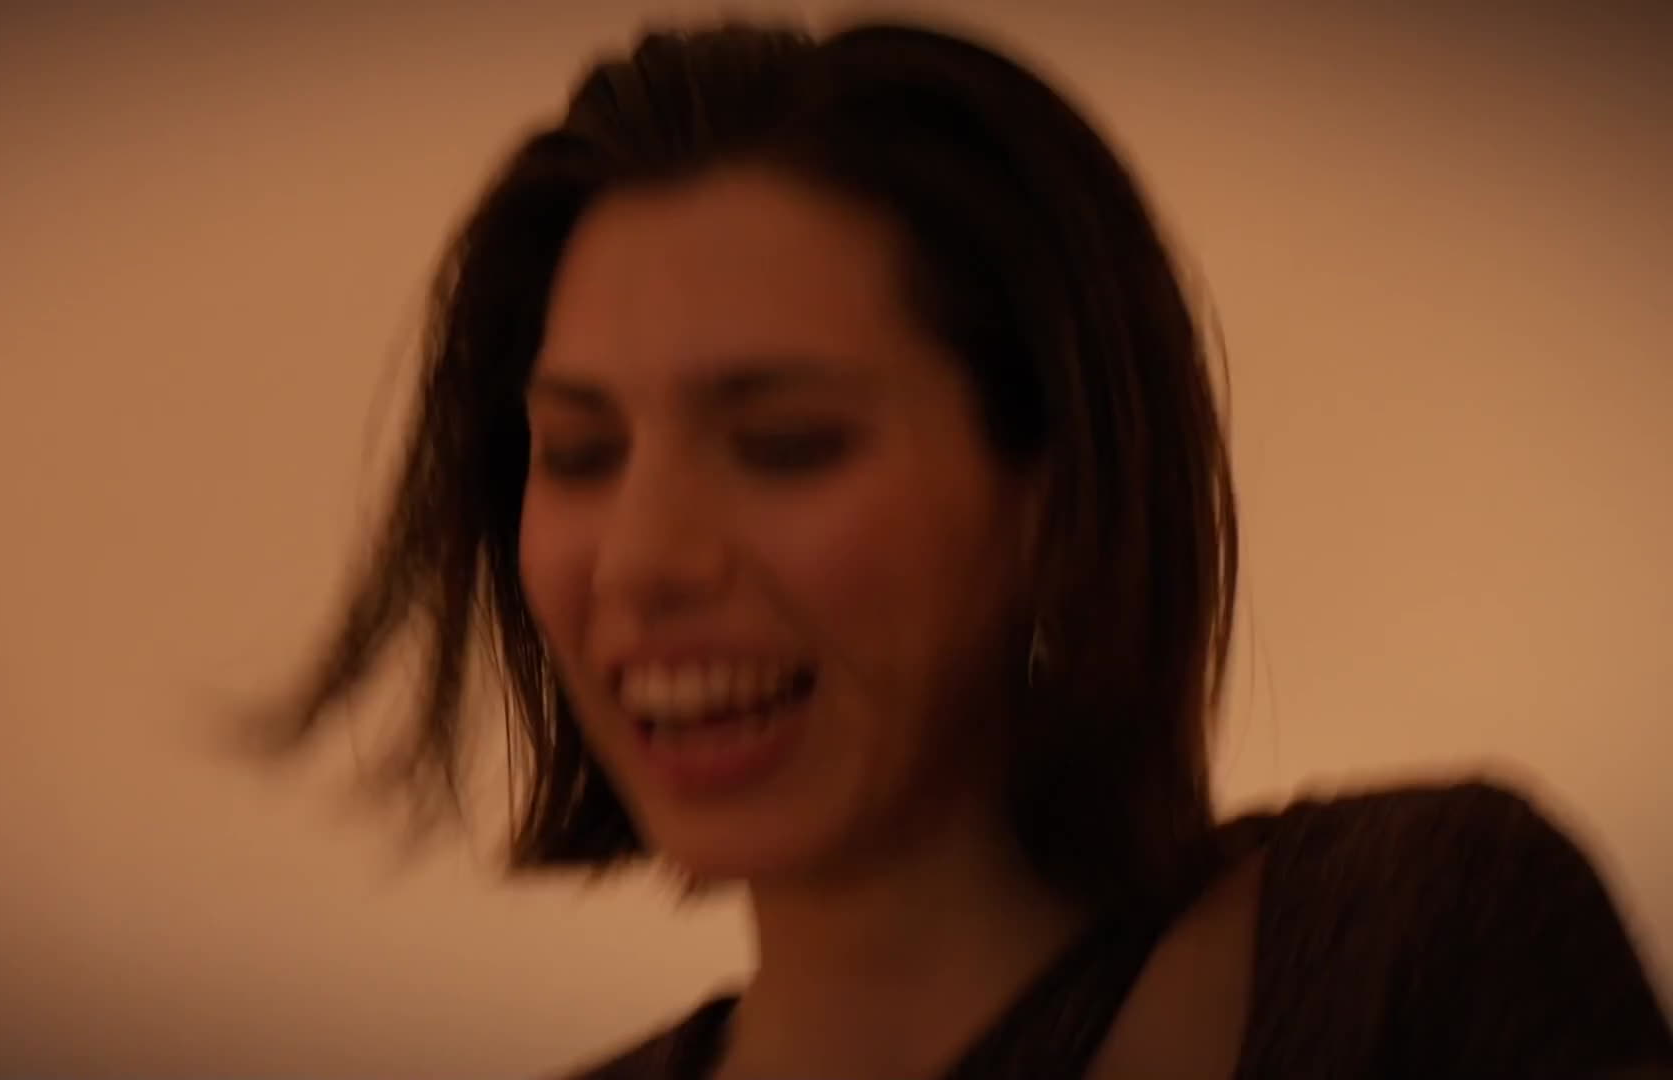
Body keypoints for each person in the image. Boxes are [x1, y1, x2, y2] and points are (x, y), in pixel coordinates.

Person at [260, 17, 1673, 1079]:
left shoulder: (1406, 946)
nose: (640, 561)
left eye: (787, 443)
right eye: (579, 454)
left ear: (1057, 493)